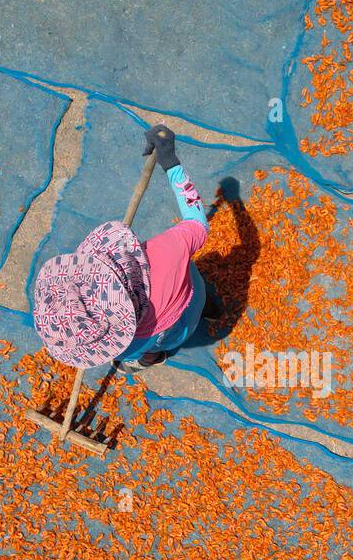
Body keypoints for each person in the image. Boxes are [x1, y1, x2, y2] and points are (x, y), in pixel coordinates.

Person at [32, 124, 220, 373]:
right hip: (190, 289)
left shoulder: (124, 345)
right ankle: (213, 307)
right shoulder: (166, 251)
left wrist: (132, 358)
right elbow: (197, 221)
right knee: (199, 294)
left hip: (166, 337)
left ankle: (144, 362)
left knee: (149, 352)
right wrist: (171, 163)